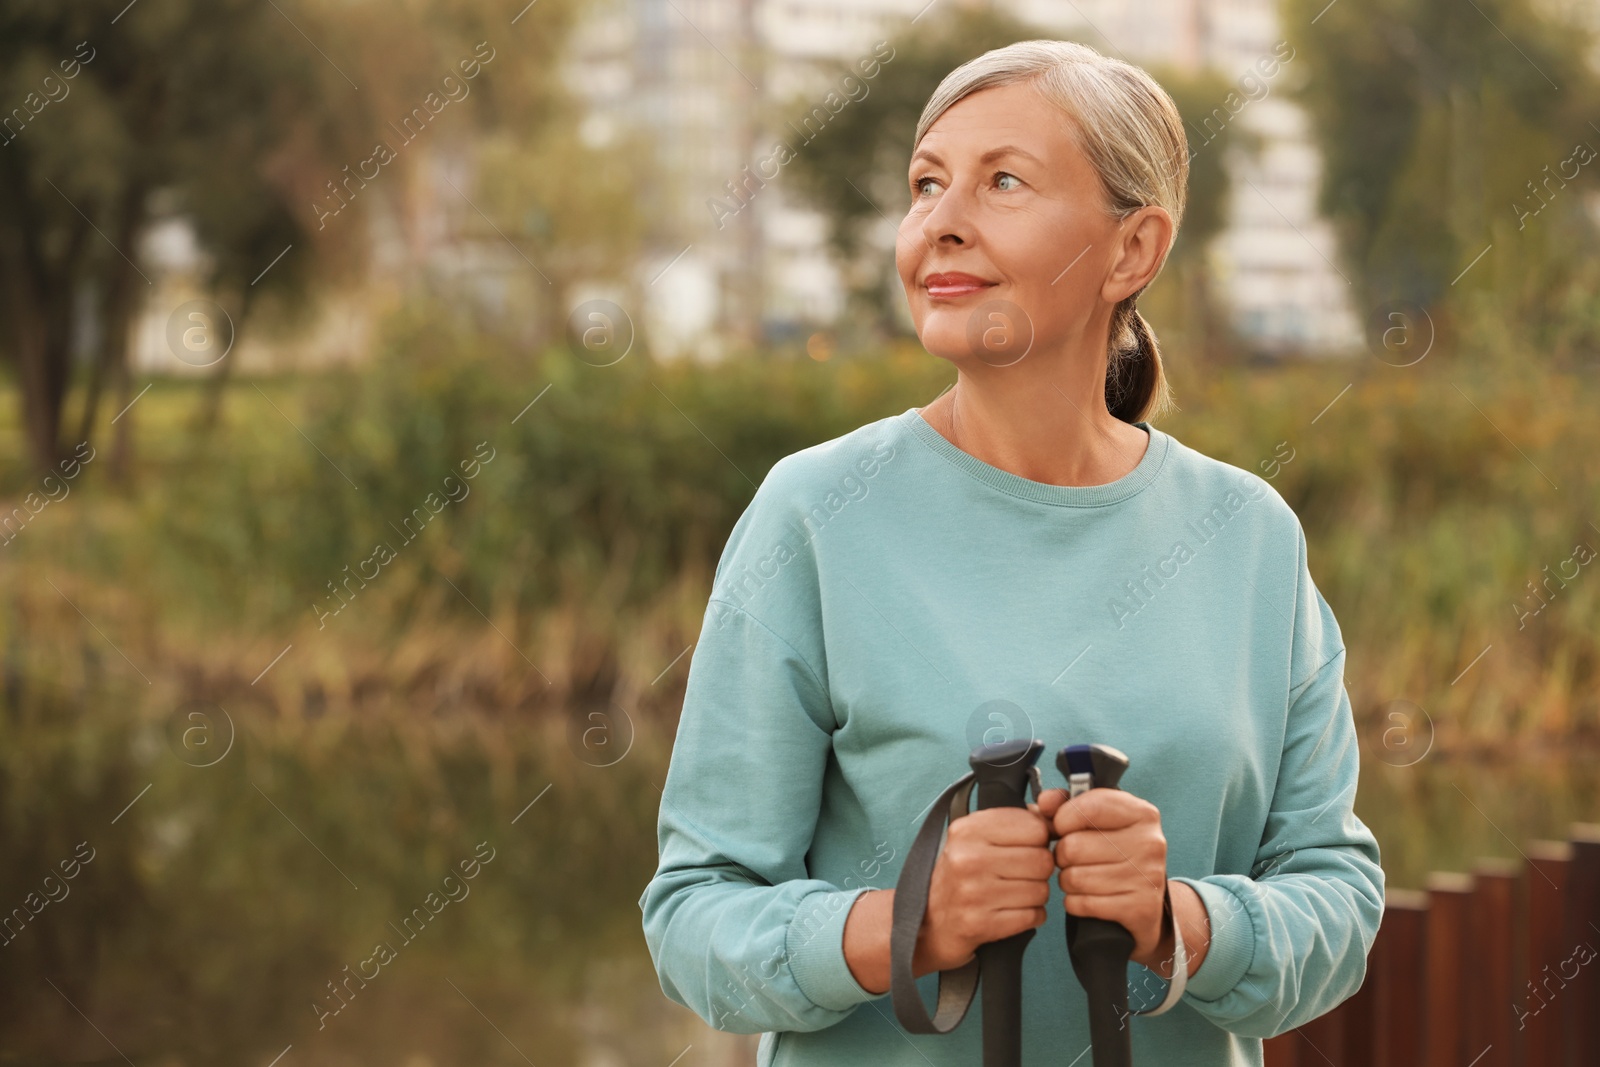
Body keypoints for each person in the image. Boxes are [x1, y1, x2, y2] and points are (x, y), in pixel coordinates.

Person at [639, 38, 1384, 1067]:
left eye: (1003, 181)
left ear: (1132, 249)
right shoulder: (813, 515)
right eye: (927, 183)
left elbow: (1337, 901)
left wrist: (1180, 920)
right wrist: (905, 923)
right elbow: (693, 920)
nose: (941, 220)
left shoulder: (1249, 536)